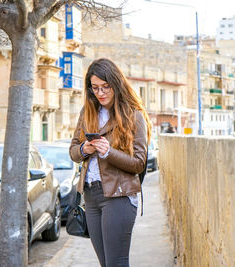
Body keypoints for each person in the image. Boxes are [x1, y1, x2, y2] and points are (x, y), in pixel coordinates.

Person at [69, 58, 151, 267]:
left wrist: (108, 152)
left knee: (116, 263)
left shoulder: (134, 115)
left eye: (106, 87)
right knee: (105, 263)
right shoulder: (87, 113)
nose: (101, 92)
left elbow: (139, 163)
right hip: (91, 196)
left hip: (119, 197)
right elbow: (73, 151)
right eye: (95, 88)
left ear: (116, 84)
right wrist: (83, 150)